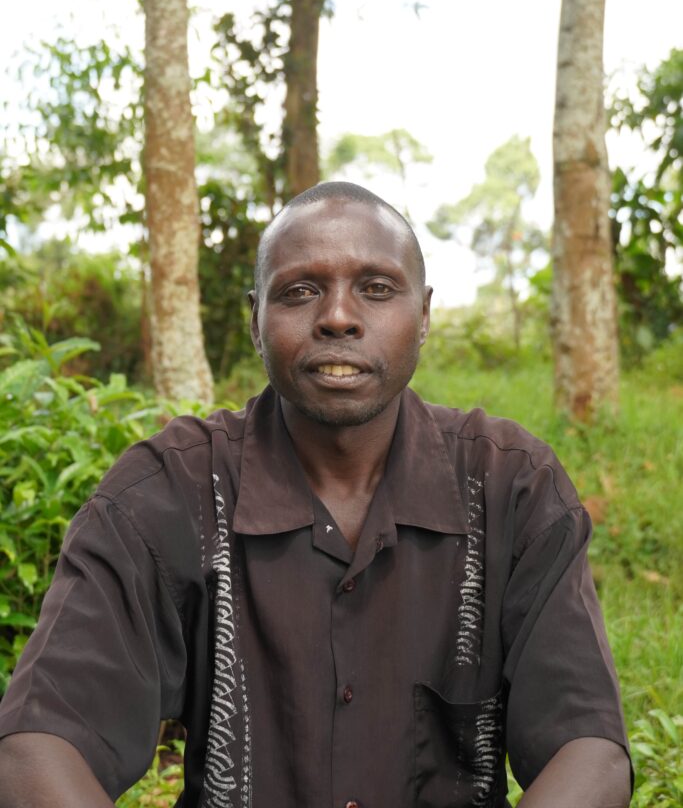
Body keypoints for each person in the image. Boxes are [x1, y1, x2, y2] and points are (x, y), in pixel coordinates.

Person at [0, 181, 631, 808]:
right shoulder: (170, 492)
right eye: (300, 291)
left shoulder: (510, 488)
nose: (337, 316)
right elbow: (38, 747)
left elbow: (591, 750)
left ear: (426, 314)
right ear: (255, 318)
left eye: (377, 289)